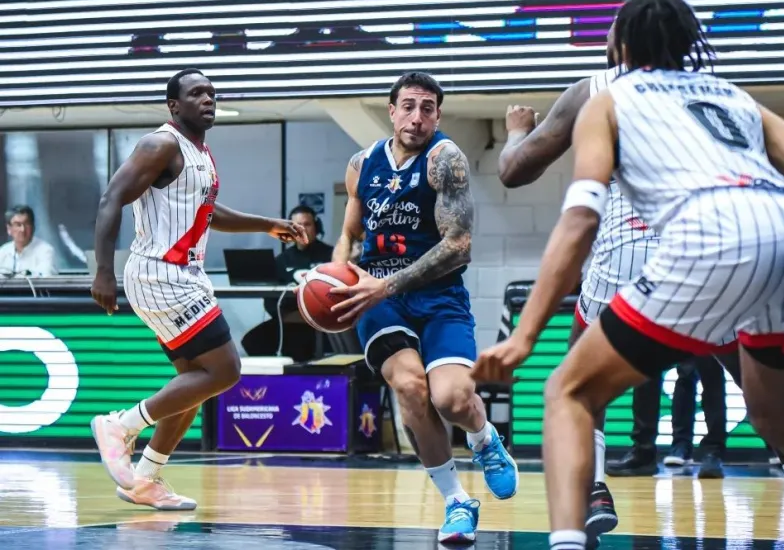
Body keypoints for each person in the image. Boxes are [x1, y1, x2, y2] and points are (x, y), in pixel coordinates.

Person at [472, 0, 784, 550]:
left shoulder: (604, 96)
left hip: (697, 239)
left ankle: (576, 527)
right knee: (776, 416)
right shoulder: (735, 97)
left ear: (617, 43)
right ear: (692, 43)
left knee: (567, 390)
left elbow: (579, 218)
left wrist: (523, 334)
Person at [497, 21, 784, 546]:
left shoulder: (596, 88)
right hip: (715, 252)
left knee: (575, 386)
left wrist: (519, 130)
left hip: (628, 252)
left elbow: (514, 172)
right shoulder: (719, 92)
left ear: (621, 47)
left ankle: (592, 490)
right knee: (770, 407)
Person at [89, 68, 306, 510]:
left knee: (197, 380)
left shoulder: (199, 152)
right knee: (226, 370)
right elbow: (111, 197)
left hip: (182, 274)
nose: (207, 98)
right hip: (159, 272)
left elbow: (208, 211)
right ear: (174, 105)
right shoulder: (160, 143)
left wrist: (267, 224)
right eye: (196, 93)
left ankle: (146, 478)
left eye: (211, 92)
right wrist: (103, 271)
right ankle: (120, 425)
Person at [327, 71, 518, 544]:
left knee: (451, 398)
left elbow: (460, 245)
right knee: (411, 387)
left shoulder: (444, 159)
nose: (417, 116)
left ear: (438, 114)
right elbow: (350, 236)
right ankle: (456, 501)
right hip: (376, 296)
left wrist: (385, 286)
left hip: (438, 297)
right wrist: (335, 276)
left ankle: (483, 439)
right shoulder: (362, 163)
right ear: (391, 111)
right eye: (408, 106)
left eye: (427, 107)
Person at [241, 204, 335, 362]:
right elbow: (270, 301)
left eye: (307, 224)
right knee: (252, 341)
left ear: (316, 227)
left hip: (321, 324)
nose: (302, 229)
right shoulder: (282, 260)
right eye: (297, 226)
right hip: (288, 322)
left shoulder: (331, 255)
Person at [0, 205, 59, 277]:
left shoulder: (46, 251)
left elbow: (46, 278)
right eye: (18, 225)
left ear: (33, 227)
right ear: (9, 229)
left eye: (26, 224)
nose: (22, 230)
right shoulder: (3, 252)